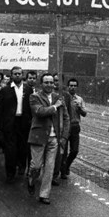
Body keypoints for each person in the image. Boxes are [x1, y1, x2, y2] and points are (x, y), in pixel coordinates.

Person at [27, 73, 70, 204]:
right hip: (38, 137)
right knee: (36, 166)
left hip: (54, 139)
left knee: (50, 168)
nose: (50, 85)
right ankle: (31, 179)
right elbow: (40, 112)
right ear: (41, 84)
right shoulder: (34, 97)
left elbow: (66, 118)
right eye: (46, 82)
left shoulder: (59, 97)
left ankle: (44, 194)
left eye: (51, 82)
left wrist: (63, 137)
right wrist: (55, 106)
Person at [0, 66, 33, 183]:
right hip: (10, 123)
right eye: (15, 74)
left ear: (22, 75)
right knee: (10, 150)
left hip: (24, 123)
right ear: (11, 76)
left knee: (23, 147)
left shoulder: (28, 89)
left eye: (19, 73)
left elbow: (31, 107)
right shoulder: (5, 90)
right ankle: (10, 173)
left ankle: (21, 166)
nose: (17, 75)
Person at [57, 78, 87, 181]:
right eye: (71, 85)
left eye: (74, 85)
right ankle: (63, 170)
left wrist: (79, 108)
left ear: (77, 87)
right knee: (63, 151)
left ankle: (66, 166)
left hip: (75, 126)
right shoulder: (63, 97)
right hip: (65, 127)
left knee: (74, 150)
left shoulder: (79, 99)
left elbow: (84, 113)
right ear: (68, 86)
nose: (72, 87)